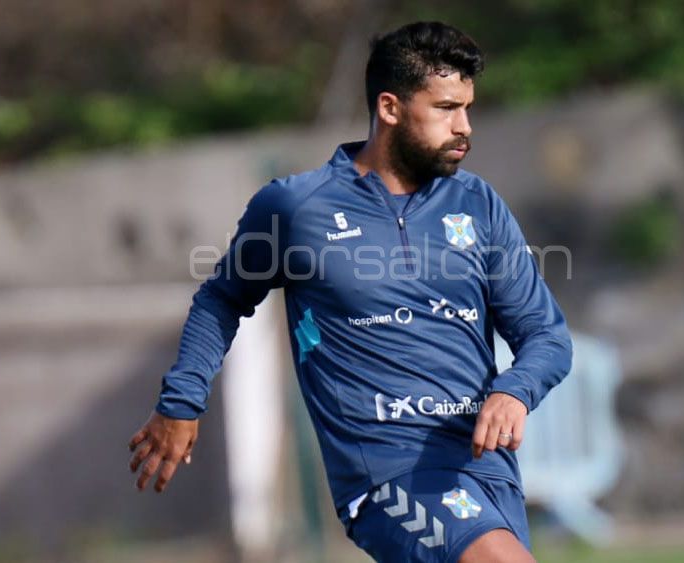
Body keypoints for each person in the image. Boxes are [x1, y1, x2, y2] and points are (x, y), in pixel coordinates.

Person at [127, 21, 572, 563]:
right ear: (389, 108)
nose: (465, 127)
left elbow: (545, 335)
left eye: (468, 108)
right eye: (446, 108)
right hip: (388, 474)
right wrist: (182, 400)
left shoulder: (478, 205)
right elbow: (221, 298)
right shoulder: (295, 207)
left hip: (486, 467)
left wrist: (514, 390)